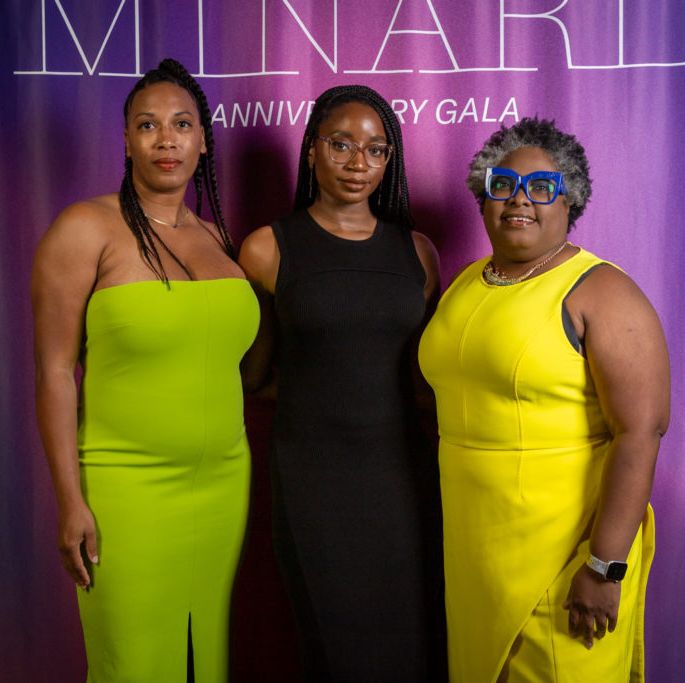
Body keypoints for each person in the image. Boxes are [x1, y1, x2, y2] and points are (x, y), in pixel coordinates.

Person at [418, 118, 670, 682]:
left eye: (540, 187)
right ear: (484, 197)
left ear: (569, 199)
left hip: (564, 551)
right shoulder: (467, 281)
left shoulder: (602, 291)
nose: (519, 199)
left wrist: (604, 566)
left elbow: (641, 432)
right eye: (503, 185)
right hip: (475, 550)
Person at [30, 58, 257, 682]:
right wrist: (69, 501)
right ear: (127, 140)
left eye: (182, 124)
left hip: (223, 483)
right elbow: (54, 372)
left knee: (204, 658)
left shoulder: (217, 238)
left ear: (202, 141)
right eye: (147, 125)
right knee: (131, 663)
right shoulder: (84, 228)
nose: (165, 139)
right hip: (124, 487)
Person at [239, 84, 445, 681]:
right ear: (311, 150)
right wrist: (323, 400)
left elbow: (424, 379)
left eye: (376, 150)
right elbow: (255, 377)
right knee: (336, 651)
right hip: (314, 481)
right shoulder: (266, 248)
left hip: (403, 478)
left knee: (408, 646)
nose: (359, 162)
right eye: (341, 144)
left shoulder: (419, 253)